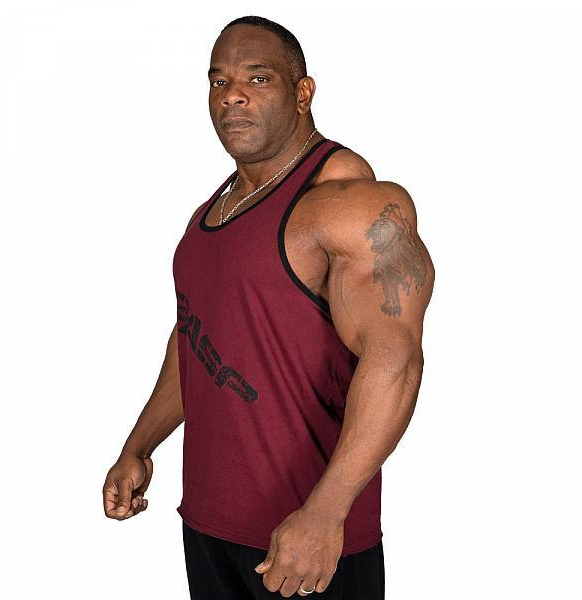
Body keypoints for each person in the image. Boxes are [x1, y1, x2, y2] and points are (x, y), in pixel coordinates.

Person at [102, 15, 434, 599]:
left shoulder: (351, 203)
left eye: (258, 78)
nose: (232, 95)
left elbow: (396, 361)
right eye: (219, 81)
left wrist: (327, 512)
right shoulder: (214, 210)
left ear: (303, 92)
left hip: (306, 543)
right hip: (209, 525)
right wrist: (139, 445)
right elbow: (197, 338)